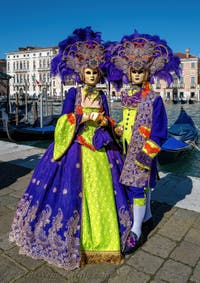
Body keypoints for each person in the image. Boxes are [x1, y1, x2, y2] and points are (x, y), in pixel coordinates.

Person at [9, 27, 132, 270]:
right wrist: (82, 117)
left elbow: (106, 118)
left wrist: (106, 123)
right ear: (81, 74)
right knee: (69, 193)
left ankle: (104, 241)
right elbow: (63, 121)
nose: (93, 77)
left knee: (105, 192)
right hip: (75, 147)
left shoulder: (102, 97)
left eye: (96, 73)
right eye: (89, 72)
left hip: (100, 148)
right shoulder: (73, 94)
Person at [108, 31, 181, 254]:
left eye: (141, 71)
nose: (137, 74)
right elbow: (128, 120)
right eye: (133, 71)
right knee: (135, 186)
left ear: (147, 73)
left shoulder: (154, 99)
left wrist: (147, 153)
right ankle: (147, 216)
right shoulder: (126, 96)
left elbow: (159, 131)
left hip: (142, 151)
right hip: (125, 149)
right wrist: (119, 128)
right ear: (128, 73)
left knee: (137, 187)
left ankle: (137, 230)